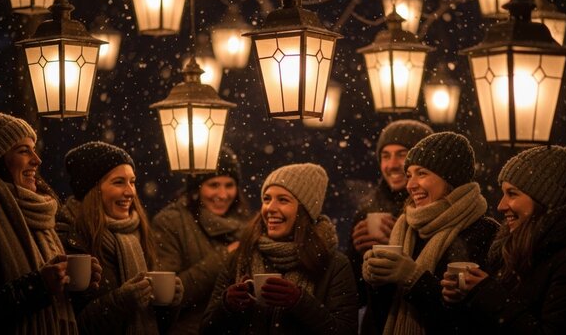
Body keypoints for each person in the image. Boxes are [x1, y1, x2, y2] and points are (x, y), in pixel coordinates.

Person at [440, 145, 566, 334]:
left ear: (544, 199)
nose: (500, 205)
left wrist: (487, 294)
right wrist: (463, 299)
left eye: (512, 193)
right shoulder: (513, 247)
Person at [0, 111, 100, 333]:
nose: (37, 160)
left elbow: (57, 308)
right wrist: (38, 286)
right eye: (24, 151)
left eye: (34, 149)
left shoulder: (39, 215)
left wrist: (79, 289)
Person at [362, 131, 500, 334]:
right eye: (409, 175)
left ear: (450, 178)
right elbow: (381, 316)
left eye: (422, 173)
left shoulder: (485, 233)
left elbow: (472, 320)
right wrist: (375, 280)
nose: (410, 185)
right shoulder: (407, 227)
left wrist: (414, 279)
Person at [201, 163, 359, 334]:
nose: (270, 208)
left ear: (305, 211)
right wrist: (227, 305)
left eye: (283, 200)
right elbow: (206, 329)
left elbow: (345, 330)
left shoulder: (334, 264)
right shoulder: (241, 256)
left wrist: (300, 302)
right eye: (267, 199)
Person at [56, 141, 183, 334]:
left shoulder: (138, 234)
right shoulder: (70, 239)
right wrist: (121, 301)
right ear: (92, 190)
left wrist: (169, 304)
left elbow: (156, 325)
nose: (130, 191)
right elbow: (70, 324)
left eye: (132, 181)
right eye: (118, 182)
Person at [151, 147, 252, 334]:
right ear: (196, 188)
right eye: (214, 185)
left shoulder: (244, 225)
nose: (222, 194)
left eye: (229, 185)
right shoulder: (171, 223)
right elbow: (166, 294)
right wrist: (224, 257)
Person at [346, 119, 433, 335]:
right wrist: (358, 255)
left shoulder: (436, 210)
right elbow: (355, 296)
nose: (392, 164)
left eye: (402, 154)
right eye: (385, 155)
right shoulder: (368, 211)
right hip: (378, 325)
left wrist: (400, 243)